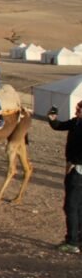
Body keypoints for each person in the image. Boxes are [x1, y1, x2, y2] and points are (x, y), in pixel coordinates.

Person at [48, 101, 82, 254]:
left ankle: (72, 242)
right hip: (74, 169)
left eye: (79, 109)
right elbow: (59, 126)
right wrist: (52, 119)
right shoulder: (76, 122)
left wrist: (74, 163)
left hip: (77, 171)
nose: (77, 111)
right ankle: (78, 239)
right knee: (79, 207)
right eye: (77, 108)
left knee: (71, 207)